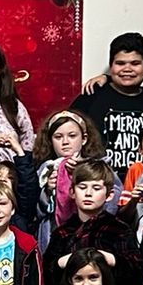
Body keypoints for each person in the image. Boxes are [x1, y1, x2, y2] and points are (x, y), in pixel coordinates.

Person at [42, 160, 137, 285]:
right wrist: (61, 262)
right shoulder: (62, 233)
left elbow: (137, 272)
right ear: (72, 192)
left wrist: (110, 259)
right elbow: (45, 274)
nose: (88, 193)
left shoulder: (119, 230)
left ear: (109, 195)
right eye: (82, 187)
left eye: (96, 188)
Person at [80, 32, 143, 164]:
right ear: (111, 67)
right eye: (120, 63)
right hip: (99, 176)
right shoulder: (92, 95)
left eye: (135, 63)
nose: (127, 69)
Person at [31, 107, 99, 250]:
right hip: (53, 234)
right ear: (50, 140)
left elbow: (112, 201)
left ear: (84, 139)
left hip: (90, 234)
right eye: (58, 137)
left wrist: (85, 174)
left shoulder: (98, 167)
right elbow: (34, 210)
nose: (65, 142)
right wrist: (48, 190)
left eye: (72, 136)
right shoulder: (44, 170)